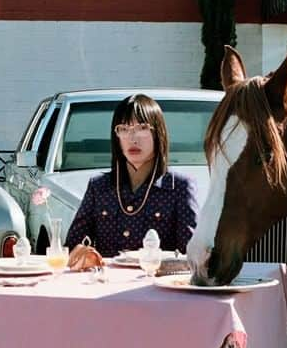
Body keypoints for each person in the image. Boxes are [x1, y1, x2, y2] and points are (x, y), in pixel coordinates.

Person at [37, 93, 199, 263]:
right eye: (124, 129)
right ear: (117, 137)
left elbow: (191, 256)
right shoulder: (99, 187)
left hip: (154, 285)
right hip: (105, 284)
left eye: (142, 128)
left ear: (158, 133)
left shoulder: (178, 187)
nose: (132, 138)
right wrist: (82, 254)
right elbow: (73, 247)